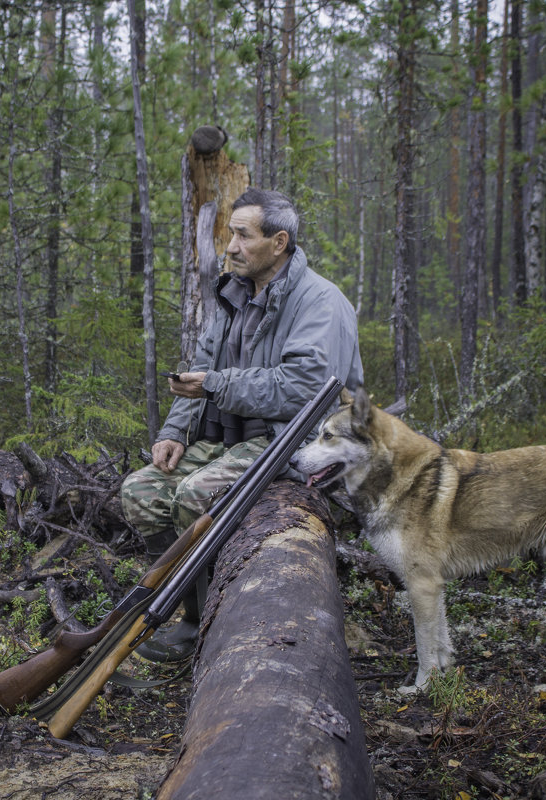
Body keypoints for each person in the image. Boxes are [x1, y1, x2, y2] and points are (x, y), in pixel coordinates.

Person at [121, 188, 364, 662]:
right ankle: (189, 608)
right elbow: (204, 365)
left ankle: (208, 624)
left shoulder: (321, 302)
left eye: (241, 235)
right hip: (227, 441)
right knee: (140, 493)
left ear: (279, 242)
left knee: (195, 496)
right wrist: (174, 431)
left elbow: (304, 392)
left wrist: (216, 384)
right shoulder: (237, 293)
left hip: (289, 442)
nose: (229, 247)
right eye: (230, 234)